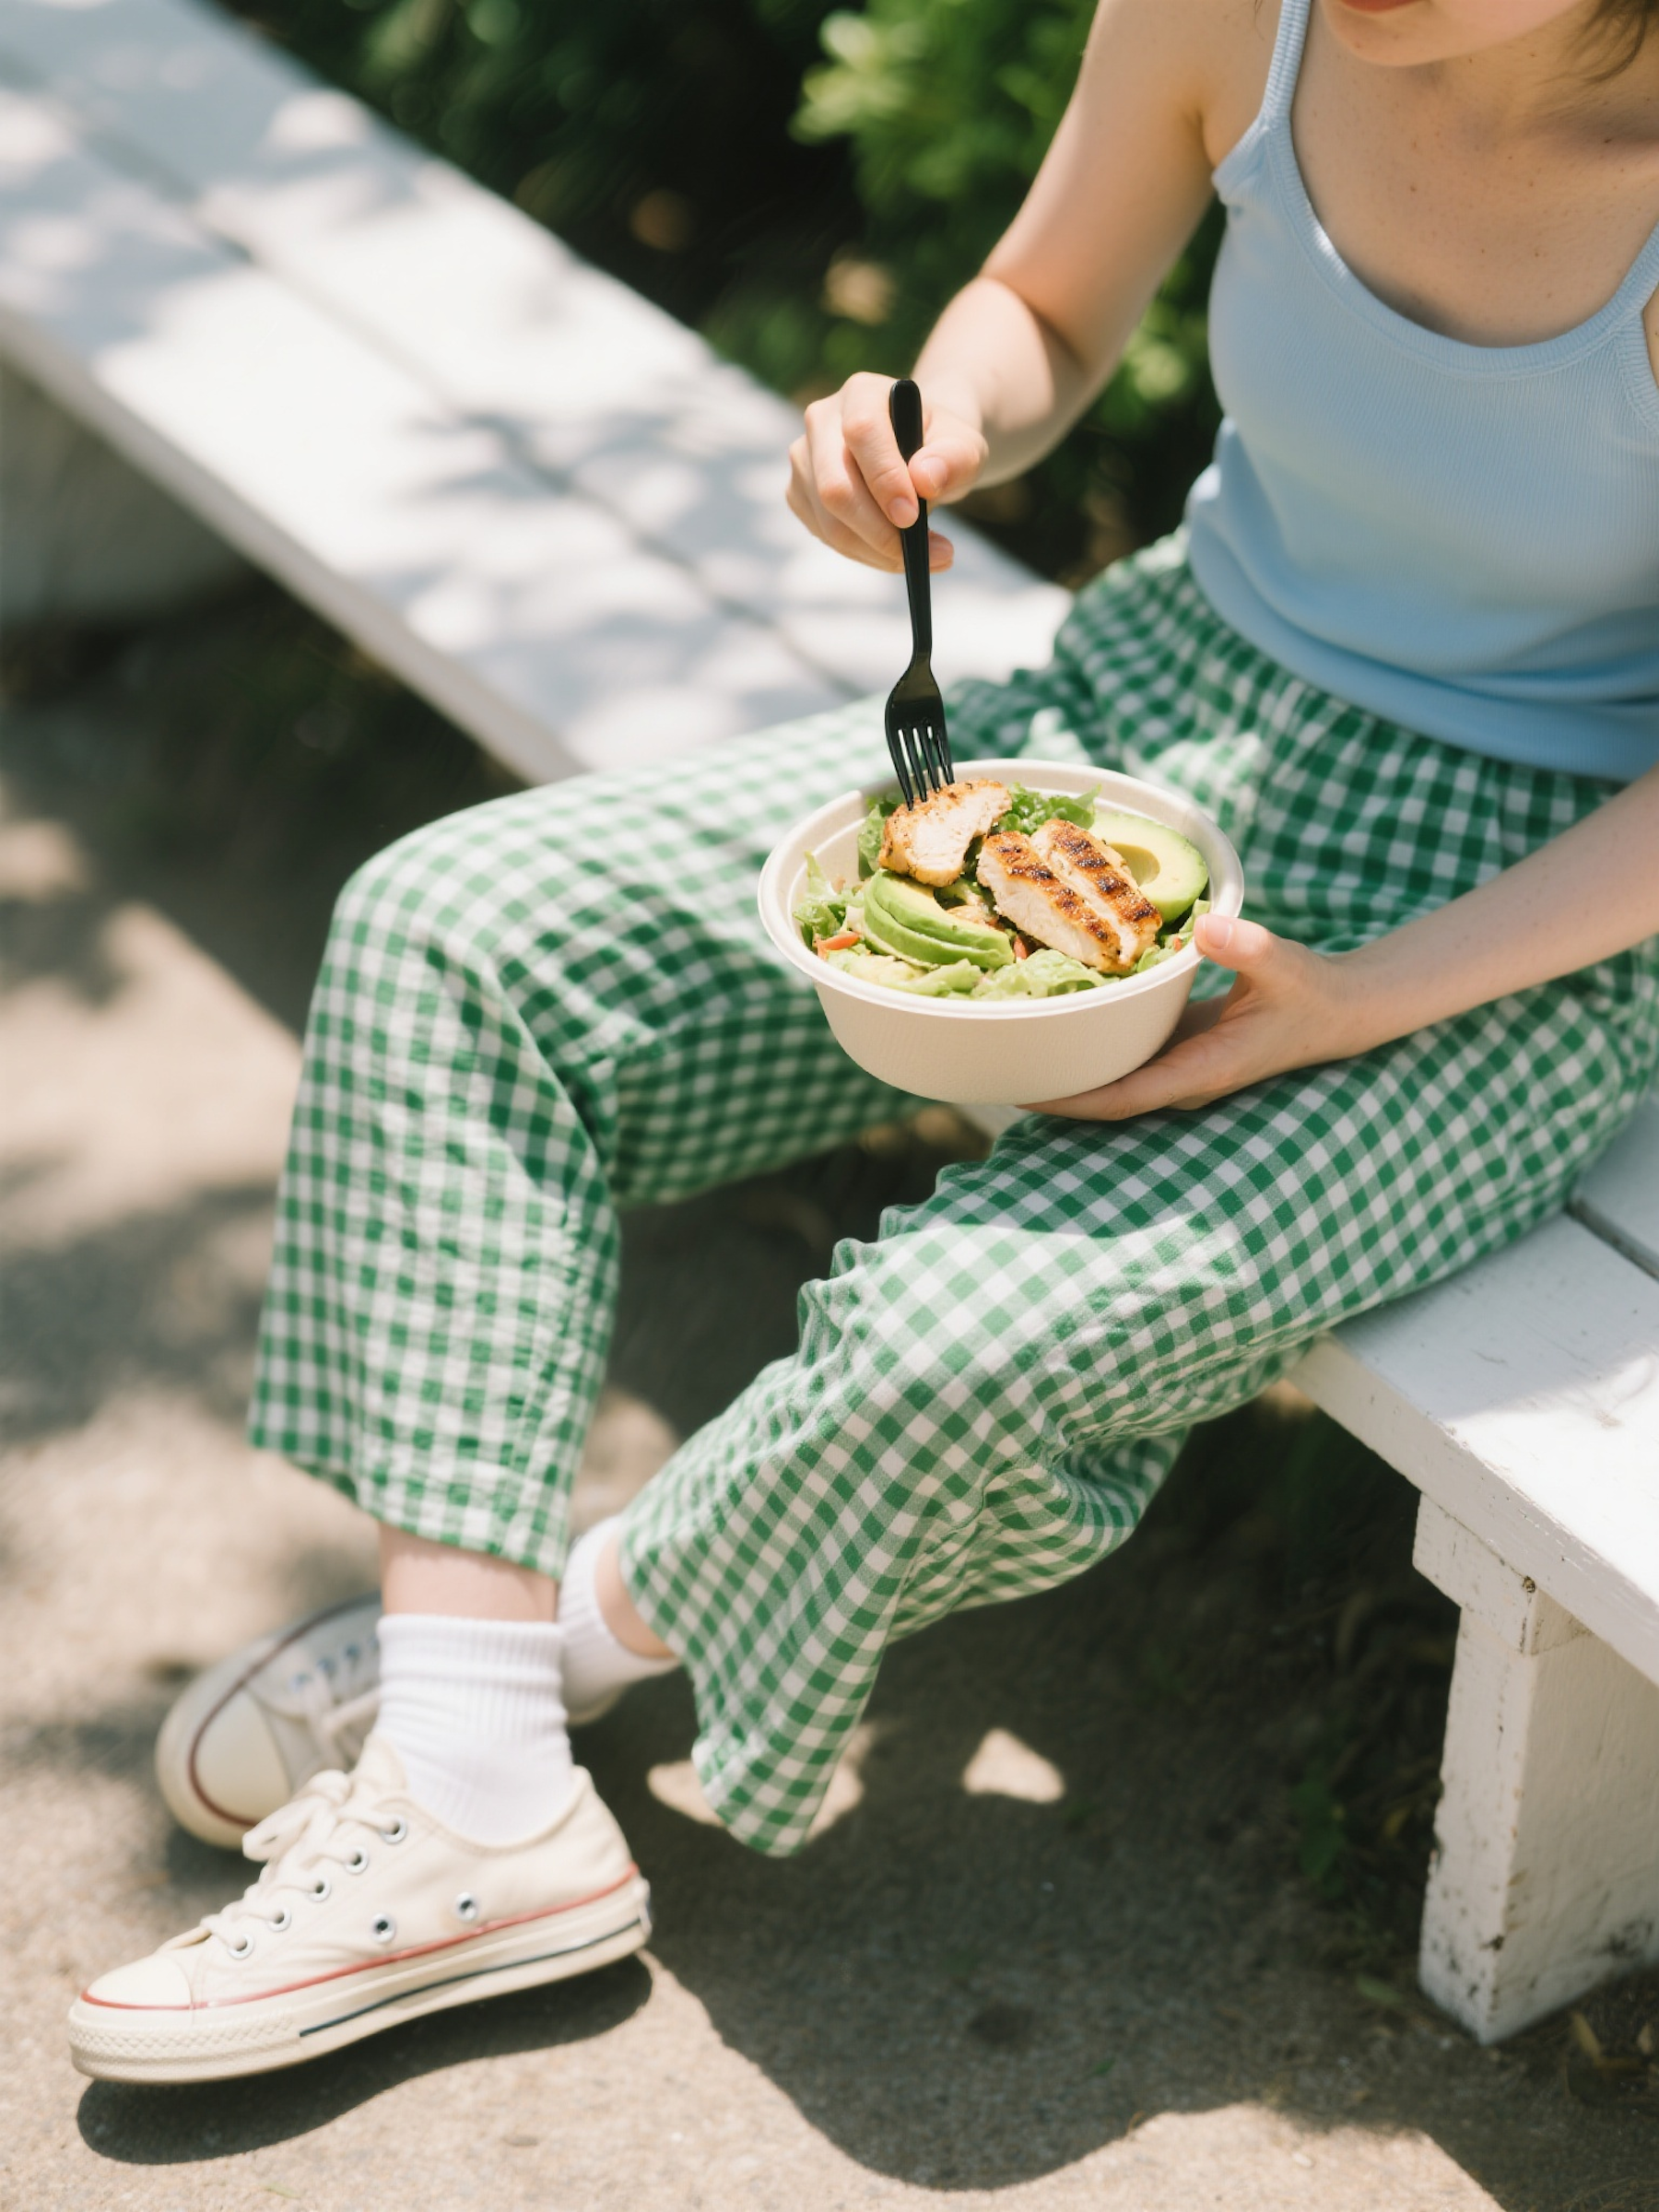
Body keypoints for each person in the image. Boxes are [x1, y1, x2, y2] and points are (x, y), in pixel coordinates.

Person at [71, 0, 1659, 2084]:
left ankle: (506, 1681)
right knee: (460, 937)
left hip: (1518, 916)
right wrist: (940, 408)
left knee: (955, 1347)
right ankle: (474, 1788)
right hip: (1158, 728)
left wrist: (1362, 997)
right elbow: (1046, 306)